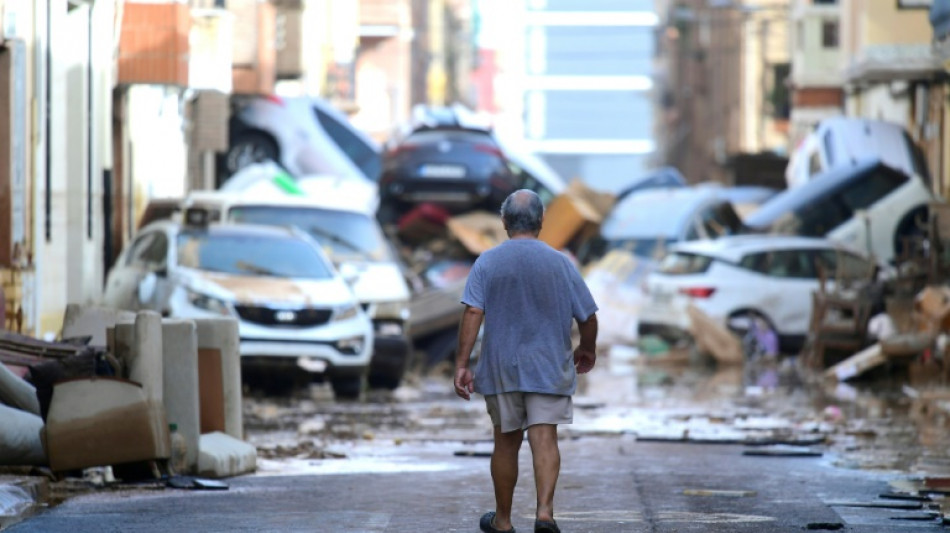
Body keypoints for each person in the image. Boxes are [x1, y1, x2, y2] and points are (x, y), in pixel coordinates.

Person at [454, 189, 599, 533]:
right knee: (544, 437)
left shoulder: (487, 261)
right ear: (541, 221)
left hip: (501, 366)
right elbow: (588, 316)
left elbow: (474, 311)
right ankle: (544, 514)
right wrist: (587, 349)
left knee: (506, 442)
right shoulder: (560, 262)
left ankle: (502, 521)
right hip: (549, 365)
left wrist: (462, 363)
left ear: (504, 222)